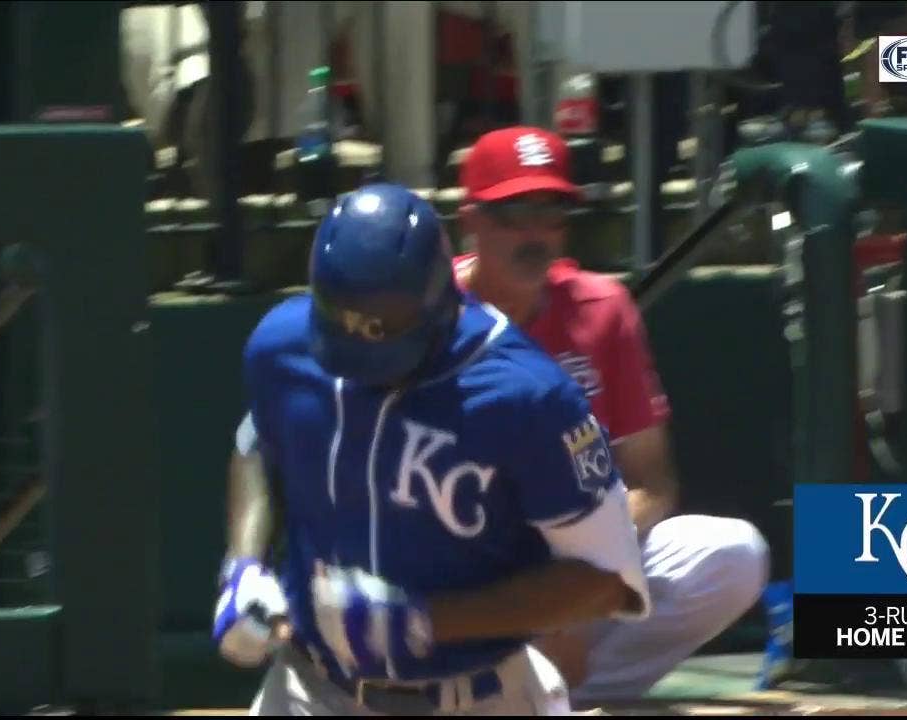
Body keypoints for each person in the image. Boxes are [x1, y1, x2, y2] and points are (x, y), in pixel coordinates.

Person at [211, 182, 653, 715]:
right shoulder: (281, 347)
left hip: (477, 699)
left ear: (443, 300)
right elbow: (255, 441)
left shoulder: (527, 395)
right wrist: (244, 565)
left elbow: (608, 584)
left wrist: (427, 620)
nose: (367, 367)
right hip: (311, 690)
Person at [453, 126, 771, 707]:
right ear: (469, 217)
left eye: (551, 212)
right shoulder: (428, 313)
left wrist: (568, 596)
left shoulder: (601, 309)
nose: (535, 234)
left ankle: (561, 695)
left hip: (578, 554)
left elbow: (651, 479)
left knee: (734, 555)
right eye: (514, 212)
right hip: (466, 564)